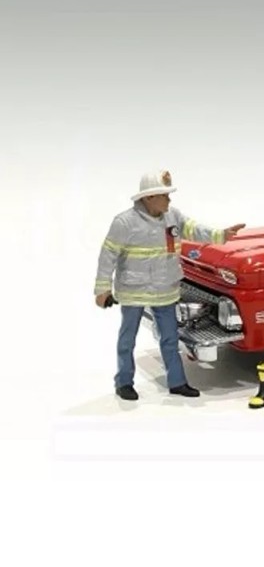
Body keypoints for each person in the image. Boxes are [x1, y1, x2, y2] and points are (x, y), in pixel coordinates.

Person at [94, 170, 245, 401]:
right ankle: (123, 382)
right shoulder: (125, 222)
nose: (169, 199)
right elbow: (108, 255)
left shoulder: (172, 216)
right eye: (164, 195)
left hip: (165, 290)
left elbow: (194, 230)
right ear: (149, 197)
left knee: (170, 339)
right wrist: (102, 289)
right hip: (134, 292)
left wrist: (220, 235)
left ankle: (177, 382)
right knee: (127, 340)